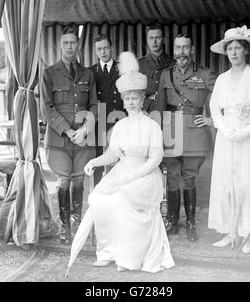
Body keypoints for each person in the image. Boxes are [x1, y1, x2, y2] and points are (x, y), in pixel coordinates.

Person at [82, 51, 175, 273]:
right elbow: (113, 154)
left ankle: (129, 257)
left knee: (122, 198)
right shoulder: (120, 126)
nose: (132, 102)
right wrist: (95, 162)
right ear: (123, 101)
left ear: (143, 99)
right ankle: (108, 252)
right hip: (122, 172)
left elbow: (156, 158)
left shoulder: (151, 125)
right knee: (98, 198)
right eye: (128, 98)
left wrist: (133, 176)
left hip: (144, 175)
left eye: (136, 97)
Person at [208, 25, 250, 254]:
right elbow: (214, 108)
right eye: (230, 49)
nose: (234, 52)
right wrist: (223, 129)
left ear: (246, 50)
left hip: (249, 137)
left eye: (238, 48)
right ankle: (229, 232)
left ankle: (248, 234)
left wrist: (246, 131)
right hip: (226, 138)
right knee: (226, 183)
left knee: (248, 182)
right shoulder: (222, 79)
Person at [40, 26, 98, 244]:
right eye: (65, 43)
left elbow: (93, 105)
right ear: (60, 45)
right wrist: (69, 130)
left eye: (73, 43)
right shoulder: (49, 73)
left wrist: (84, 128)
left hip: (83, 139)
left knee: (79, 181)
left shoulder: (88, 74)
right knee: (63, 182)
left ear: (78, 45)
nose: (69, 47)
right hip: (59, 140)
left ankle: (77, 223)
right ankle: (65, 228)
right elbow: (46, 108)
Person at [157, 33, 216, 242]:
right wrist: (158, 134)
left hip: (194, 132)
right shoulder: (166, 75)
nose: (181, 52)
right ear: (173, 50)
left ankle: (191, 223)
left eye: (185, 48)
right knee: (172, 176)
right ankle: (172, 219)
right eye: (177, 48)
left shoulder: (206, 74)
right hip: (171, 132)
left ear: (192, 50)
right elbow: (160, 107)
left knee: (189, 176)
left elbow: (222, 98)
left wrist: (211, 118)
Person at [89, 34, 125, 185]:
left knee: (119, 162)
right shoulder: (91, 72)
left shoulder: (122, 68)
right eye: (99, 49)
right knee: (98, 162)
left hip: (119, 122)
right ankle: (98, 197)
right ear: (96, 51)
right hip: (99, 124)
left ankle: (118, 198)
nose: (103, 52)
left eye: (105, 48)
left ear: (111, 48)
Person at [138, 23, 175, 113]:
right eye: (151, 38)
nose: (154, 42)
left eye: (157, 38)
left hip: (168, 110)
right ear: (147, 40)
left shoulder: (174, 64)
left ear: (164, 40)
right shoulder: (139, 65)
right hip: (147, 111)